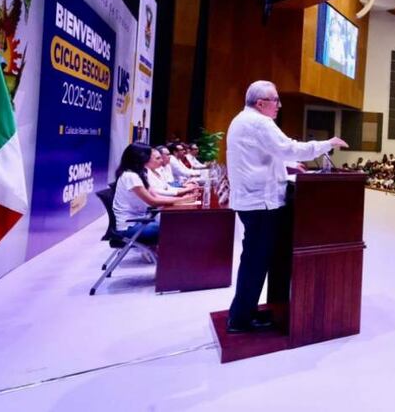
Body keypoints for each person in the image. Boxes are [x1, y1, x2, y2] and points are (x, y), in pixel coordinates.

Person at [225, 80, 349, 333]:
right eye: (275, 100)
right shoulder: (259, 122)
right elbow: (288, 147)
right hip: (261, 203)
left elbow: (263, 156)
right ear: (261, 103)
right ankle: (240, 319)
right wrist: (326, 144)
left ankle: (243, 312)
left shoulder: (244, 119)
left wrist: (287, 166)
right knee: (255, 261)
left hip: (254, 201)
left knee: (254, 259)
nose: (279, 105)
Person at [112, 143, 199, 244]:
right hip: (130, 226)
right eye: (148, 156)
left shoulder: (139, 174)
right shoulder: (130, 176)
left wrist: (183, 199)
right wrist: (183, 199)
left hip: (141, 220)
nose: (150, 159)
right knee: (175, 228)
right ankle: (172, 258)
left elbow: (156, 196)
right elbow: (153, 201)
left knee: (178, 224)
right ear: (140, 157)